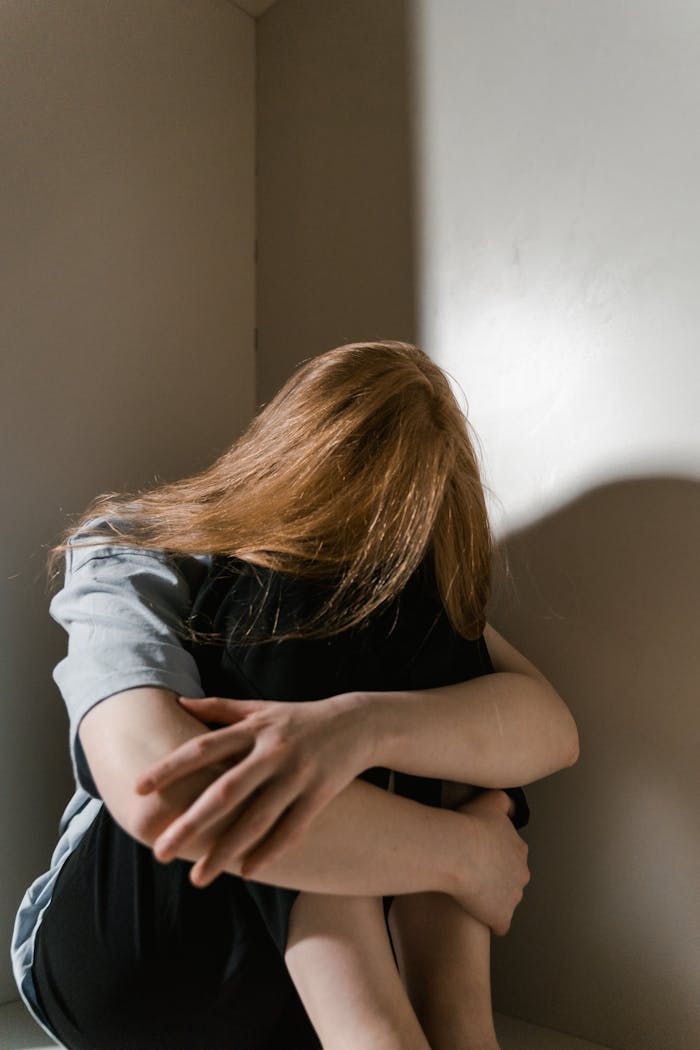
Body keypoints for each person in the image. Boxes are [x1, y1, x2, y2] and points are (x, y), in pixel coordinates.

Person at [12, 340, 579, 1050]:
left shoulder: (408, 607)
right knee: (294, 586)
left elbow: (548, 729)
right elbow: (161, 792)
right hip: (135, 962)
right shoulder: (135, 547)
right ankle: (374, 1032)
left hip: (283, 1004)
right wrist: (464, 855)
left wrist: (361, 725)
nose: (373, 538)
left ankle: (457, 1026)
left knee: (439, 610)